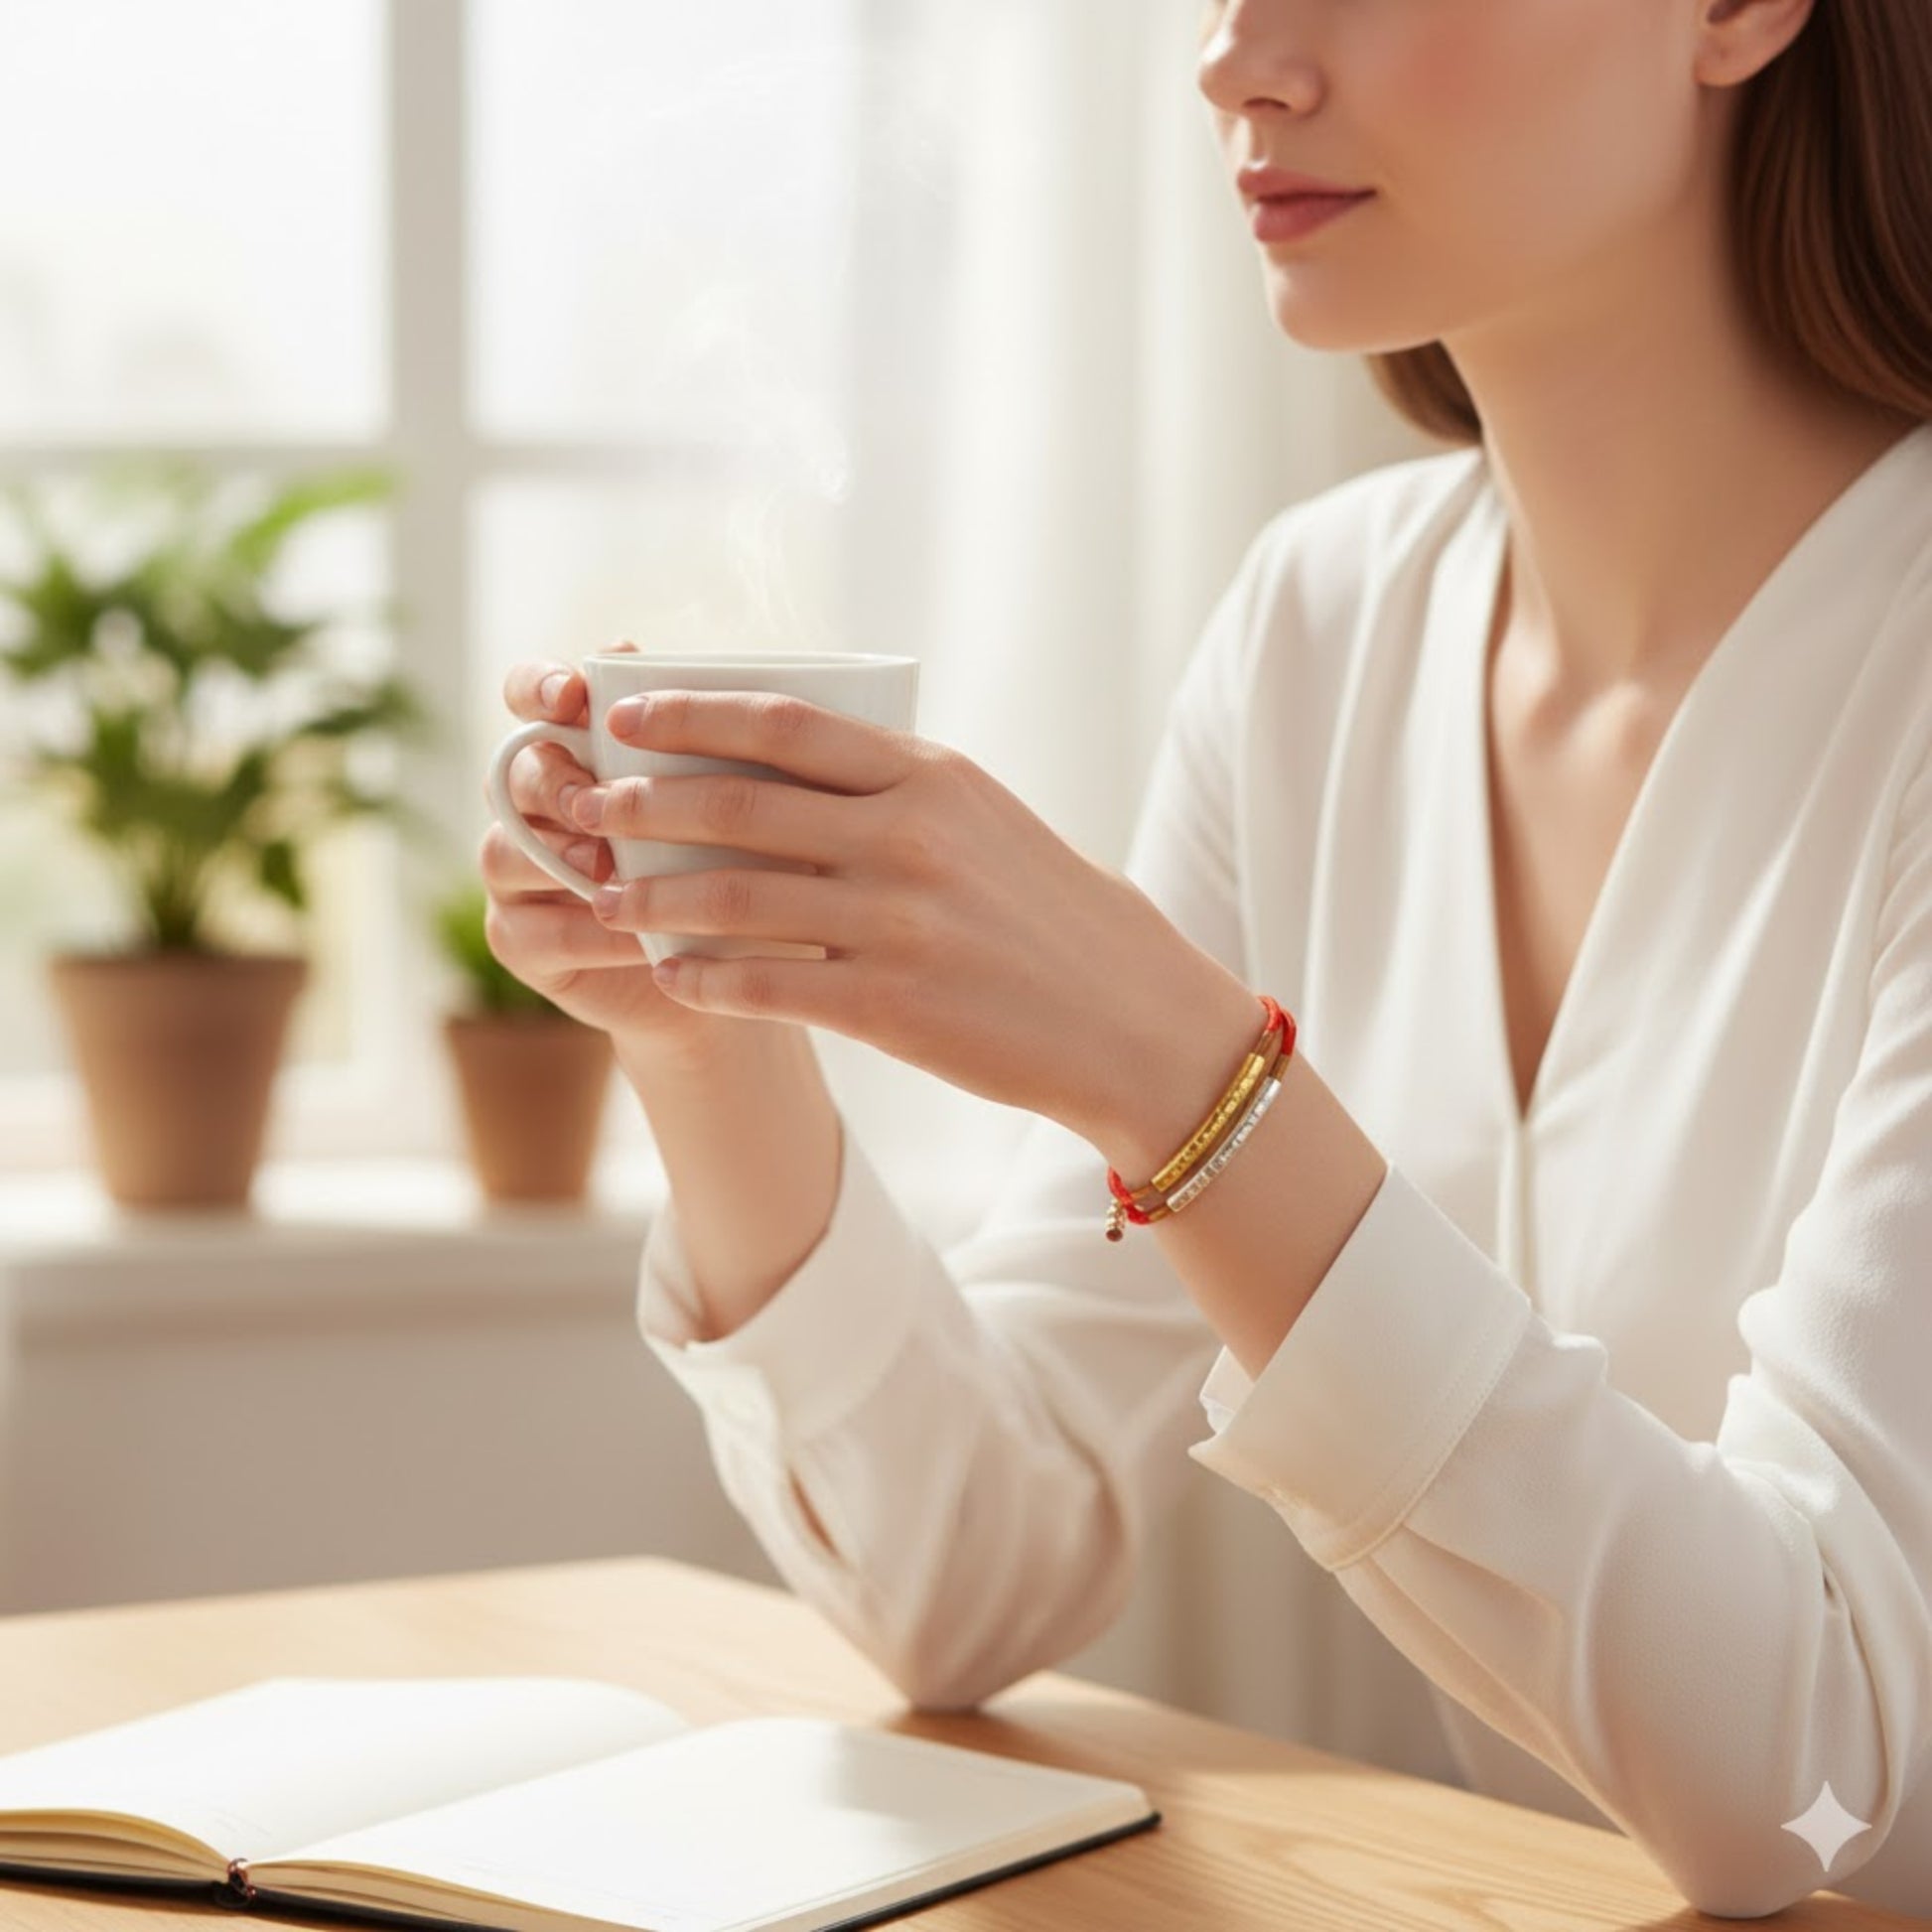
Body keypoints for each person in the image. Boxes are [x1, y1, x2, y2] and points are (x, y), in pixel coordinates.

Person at [480, 0, 1932, 1915]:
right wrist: (706, 1028)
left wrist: (1182, 1077)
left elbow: (1815, 1785)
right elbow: (970, 1573)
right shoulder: (1317, 631)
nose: (1238, 58)